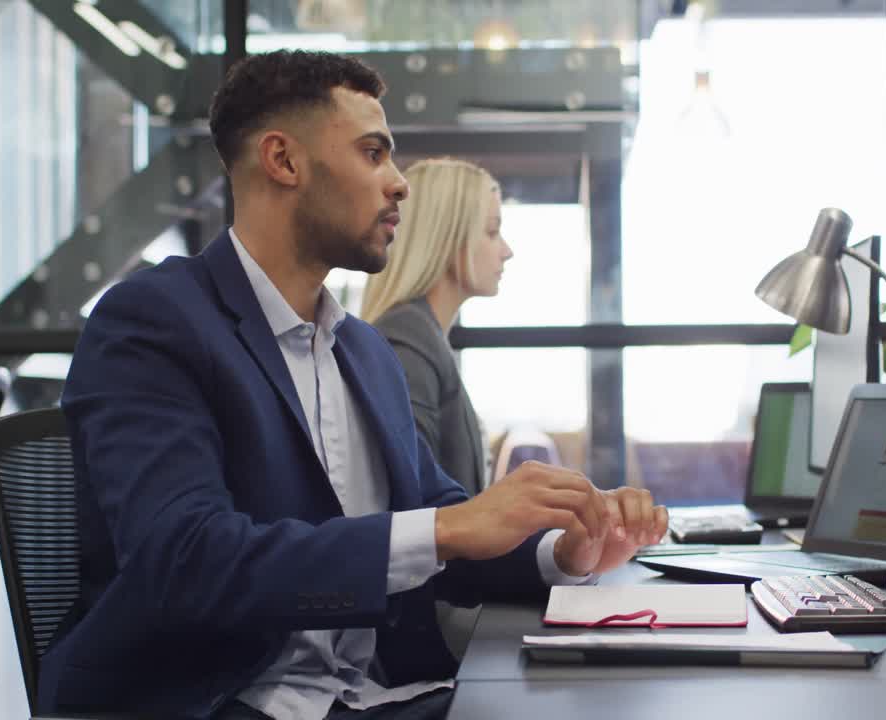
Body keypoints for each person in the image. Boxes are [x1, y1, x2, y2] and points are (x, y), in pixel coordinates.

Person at [46, 50, 668, 720]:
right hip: (224, 701)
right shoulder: (155, 322)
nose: (399, 183)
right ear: (283, 161)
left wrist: (564, 551)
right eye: (374, 153)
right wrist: (448, 527)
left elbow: (446, 521)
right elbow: (186, 560)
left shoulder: (362, 350)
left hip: (375, 694)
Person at [360, 158, 509, 497]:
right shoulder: (408, 338)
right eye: (491, 231)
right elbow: (420, 501)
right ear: (448, 236)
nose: (506, 251)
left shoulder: (424, 336)